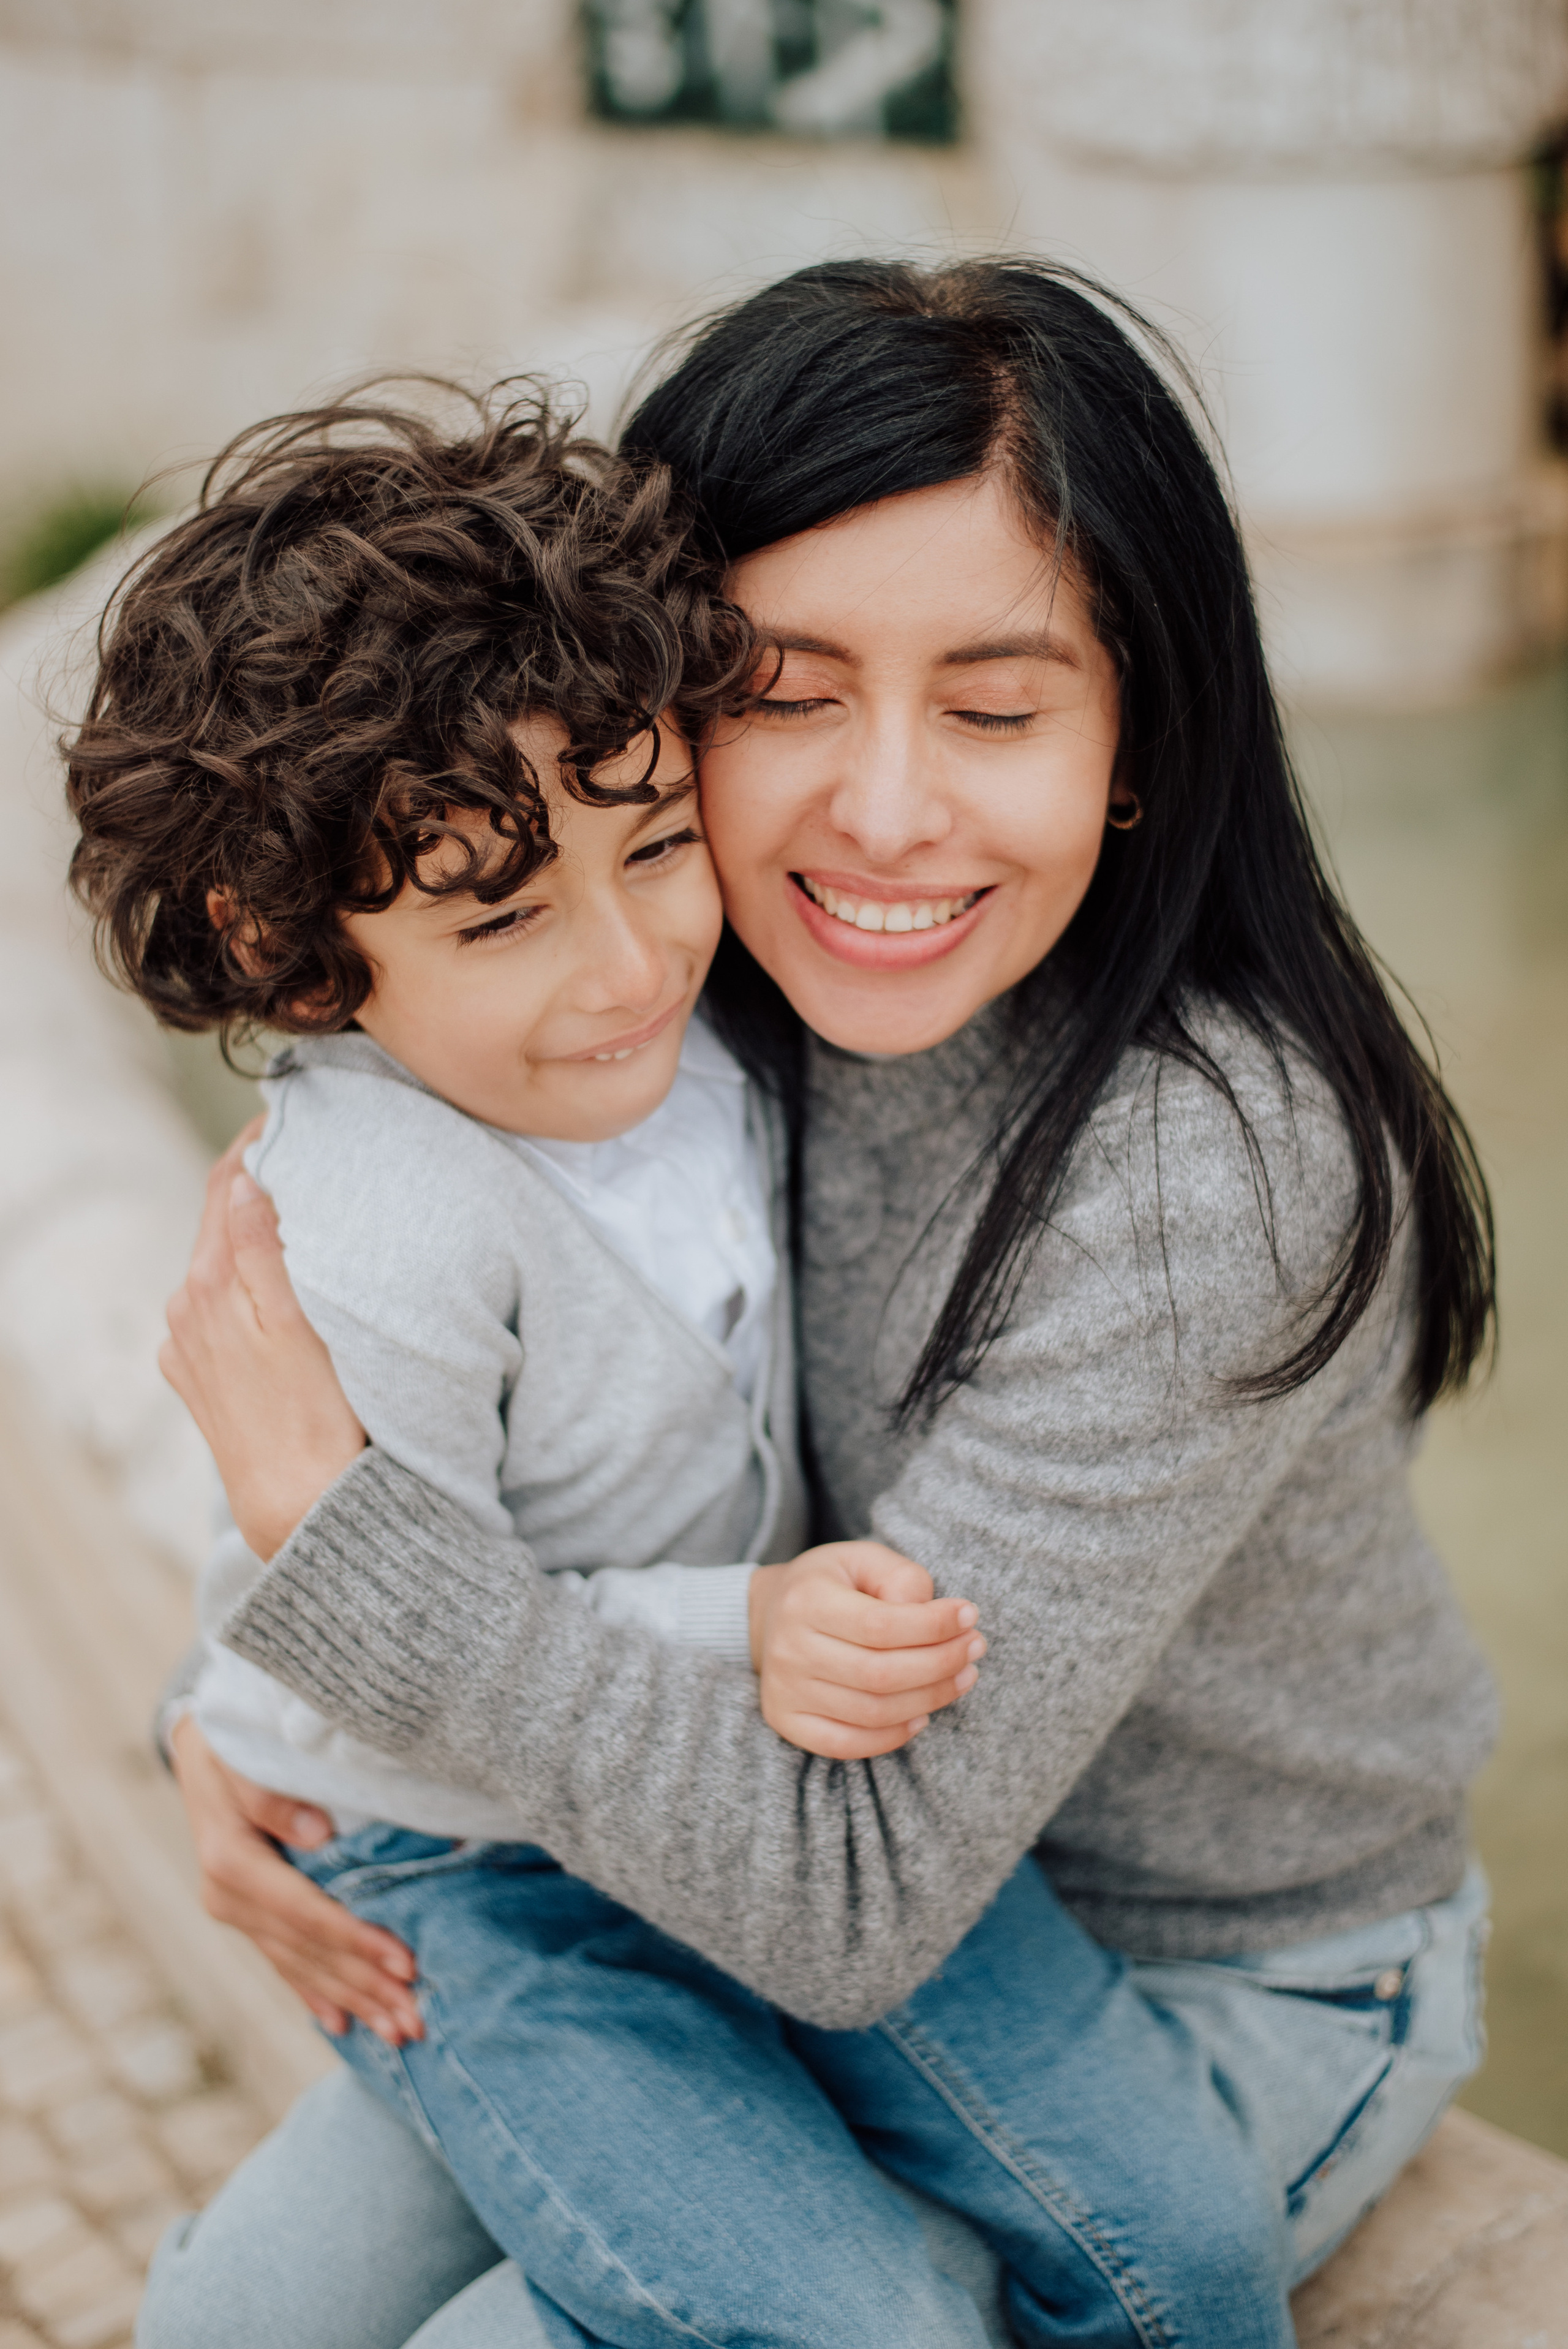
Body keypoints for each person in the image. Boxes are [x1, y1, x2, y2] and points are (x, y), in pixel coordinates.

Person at [143, 260, 1497, 2349]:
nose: (881, 811)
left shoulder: (1203, 1165)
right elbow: (386, 1381)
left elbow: (852, 1889)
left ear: (1139, 739)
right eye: (781, 690)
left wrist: (363, 1598)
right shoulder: (683, 984)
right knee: (250, 2313)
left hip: (1179, 1957)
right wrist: (239, 1717)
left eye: (994, 705)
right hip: (668, 1837)